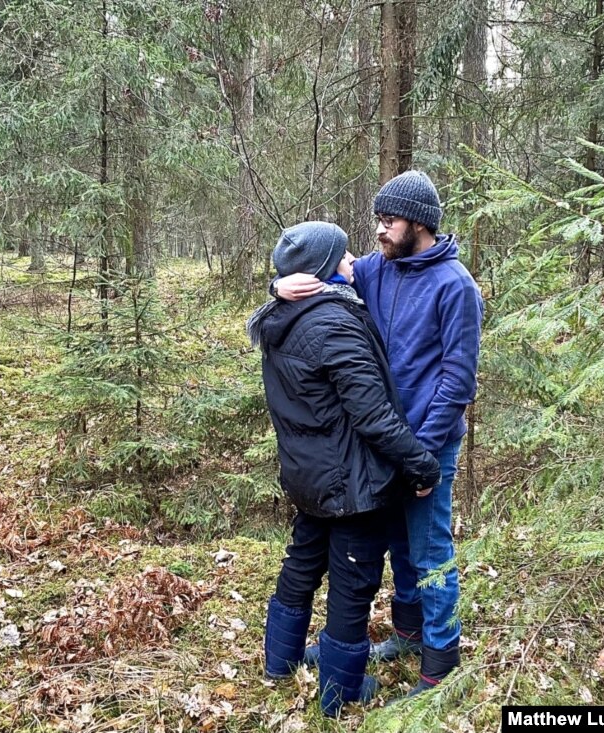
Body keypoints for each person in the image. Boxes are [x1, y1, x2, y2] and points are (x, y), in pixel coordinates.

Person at [274, 171, 484, 699]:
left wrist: (424, 456)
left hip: (425, 448)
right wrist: (275, 285)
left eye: (388, 222)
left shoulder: (456, 286)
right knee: (395, 545)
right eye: (378, 221)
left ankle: (440, 662)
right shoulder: (377, 270)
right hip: (383, 445)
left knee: (430, 549)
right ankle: (409, 635)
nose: (379, 232)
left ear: (419, 223)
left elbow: (457, 383)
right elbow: (317, 272)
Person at [249, 221, 441, 717]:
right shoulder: (332, 323)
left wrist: (276, 285)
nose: (353, 260)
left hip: (307, 475)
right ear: (320, 272)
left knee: (303, 561)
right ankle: (341, 693)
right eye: (342, 256)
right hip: (350, 481)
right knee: (354, 581)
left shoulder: (281, 316)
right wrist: (421, 464)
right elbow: (373, 414)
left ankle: (280, 661)